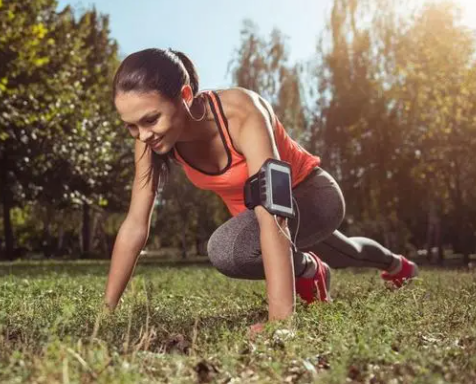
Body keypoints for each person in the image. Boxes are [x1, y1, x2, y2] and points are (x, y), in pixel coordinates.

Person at [103, 48, 418, 330]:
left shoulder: (242, 112)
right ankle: (377, 266)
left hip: (311, 194)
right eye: (131, 125)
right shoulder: (150, 142)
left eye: (150, 119)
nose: (142, 135)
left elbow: (274, 209)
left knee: (229, 250)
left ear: (185, 95)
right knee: (346, 251)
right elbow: (135, 224)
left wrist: (281, 323)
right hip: (258, 219)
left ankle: (347, 268)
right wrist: (107, 312)